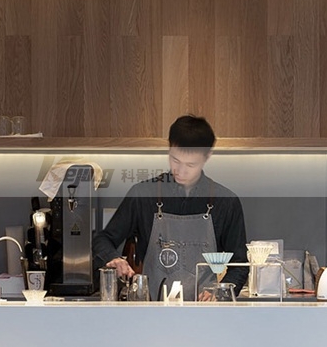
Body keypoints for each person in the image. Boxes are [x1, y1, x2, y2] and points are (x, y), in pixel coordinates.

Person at [93, 115, 248, 300]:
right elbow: (103, 239)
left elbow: (239, 265)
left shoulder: (226, 202)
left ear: (207, 156)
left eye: (190, 164)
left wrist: (219, 293)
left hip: (205, 311)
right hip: (152, 308)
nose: (180, 171)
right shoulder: (143, 195)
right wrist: (114, 258)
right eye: (175, 160)